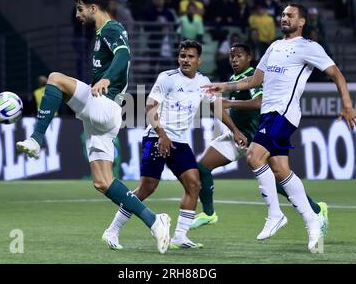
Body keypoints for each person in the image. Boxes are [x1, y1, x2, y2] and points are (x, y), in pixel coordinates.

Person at [15, 0, 171, 254]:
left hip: (106, 106)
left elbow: (124, 55)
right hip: (101, 118)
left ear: (93, 8)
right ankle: (155, 221)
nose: (77, 15)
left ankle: (36, 139)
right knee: (102, 182)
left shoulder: (111, 29)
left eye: (80, 9)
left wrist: (108, 78)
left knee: (55, 79)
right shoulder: (102, 33)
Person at [202, 4, 356, 253]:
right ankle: (313, 220)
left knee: (254, 156)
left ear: (302, 21)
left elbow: (336, 74)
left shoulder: (309, 47)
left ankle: (275, 214)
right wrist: (224, 86)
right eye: (283, 15)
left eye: (290, 15)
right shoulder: (274, 46)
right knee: (280, 169)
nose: (284, 18)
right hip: (268, 115)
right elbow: (254, 80)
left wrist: (348, 105)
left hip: (283, 114)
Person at [102, 40, 247, 250]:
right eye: (182, 56)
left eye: (190, 57)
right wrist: (162, 134)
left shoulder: (203, 82)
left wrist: (235, 130)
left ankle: (180, 237)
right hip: (156, 137)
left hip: (178, 141)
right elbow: (150, 107)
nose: (185, 60)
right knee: (147, 187)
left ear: (199, 60)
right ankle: (112, 231)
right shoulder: (167, 78)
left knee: (194, 184)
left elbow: (216, 107)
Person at [191, 43, 329, 238]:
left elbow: (259, 102)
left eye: (239, 55)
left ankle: (316, 209)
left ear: (250, 58)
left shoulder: (255, 77)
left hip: (258, 136)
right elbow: (220, 107)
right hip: (238, 136)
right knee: (202, 167)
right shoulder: (233, 79)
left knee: (280, 179)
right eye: (232, 56)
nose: (234, 59)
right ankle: (208, 213)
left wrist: (230, 103)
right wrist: (235, 129)